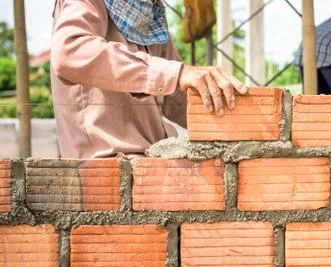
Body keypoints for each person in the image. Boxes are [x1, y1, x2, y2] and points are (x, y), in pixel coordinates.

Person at [51, 0, 247, 158]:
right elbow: (70, 51)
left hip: (151, 168)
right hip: (104, 174)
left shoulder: (149, 14)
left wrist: (247, 124)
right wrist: (175, 73)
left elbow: (179, 97)